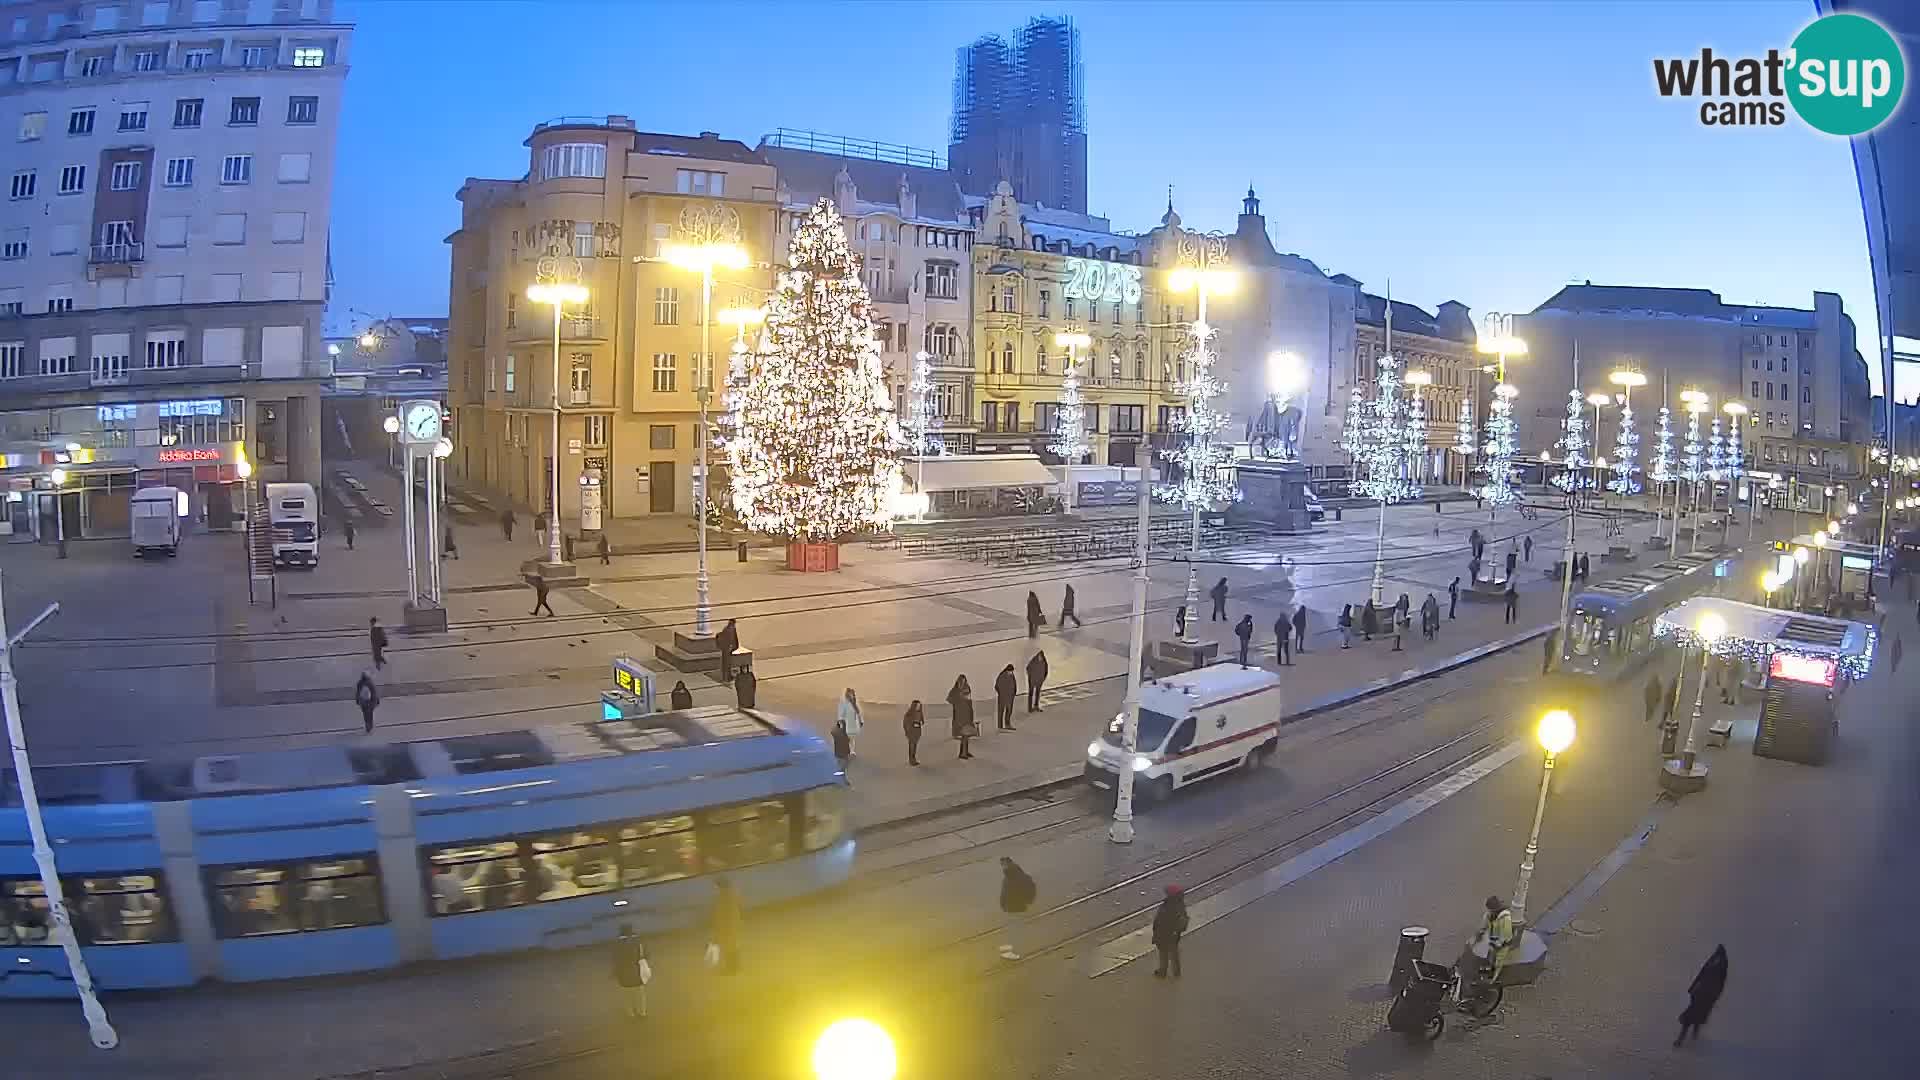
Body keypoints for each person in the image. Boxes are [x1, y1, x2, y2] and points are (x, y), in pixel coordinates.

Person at [1675, 944, 1728, 1046]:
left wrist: (1715, 997)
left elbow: (1721, 983)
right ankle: (1682, 1040)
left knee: (1697, 1018)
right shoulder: (1713, 961)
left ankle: (1691, 1039)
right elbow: (1701, 973)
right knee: (1691, 1017)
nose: (1717, 957)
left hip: (1707, 996)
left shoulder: (1721, 966)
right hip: (1699, 993)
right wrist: (1692, 987)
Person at [997, 856, 1036, 960]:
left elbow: (1030, 889)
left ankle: (1011, 951)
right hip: (1010, 908)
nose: (1003, 868)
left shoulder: (1017, 877)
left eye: (1004, 865)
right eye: (1002, 865)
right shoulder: (1010, 875)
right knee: (1012, 929)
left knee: (1014, 930)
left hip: (1016, 908)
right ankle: (1008, 948)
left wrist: (1026, 902)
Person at [611, 924, 652, 1020]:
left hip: (624, 974)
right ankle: (642, 1012)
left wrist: (616, 973)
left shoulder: (617, 944)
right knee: (640, 993)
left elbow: (615, 959)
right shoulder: (639, 942)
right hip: (638, 972)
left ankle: (631, 1013)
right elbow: (646, 955)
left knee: (627, 995)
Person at [1151, 884, 1189, 978]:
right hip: (1172, 933)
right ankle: (1176, 972)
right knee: (1173, 953)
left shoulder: (1169, 905)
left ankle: (1163, 971)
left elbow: (1162, 918)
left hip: (1166, 932)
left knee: (1164, 953)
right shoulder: (1179, 905)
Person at [708, 877, 741, 975]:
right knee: (731, 947)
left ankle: (732, 969)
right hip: (730, 925)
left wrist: (721, 925)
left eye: (717, 886)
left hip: (728, 925)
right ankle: (734, 967)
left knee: (729, 947)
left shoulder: (725, 896)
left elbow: (725, 912)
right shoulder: (730, 894)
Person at [1482, 894, 1515, 985]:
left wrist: (1498, 945)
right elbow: (1485, 925)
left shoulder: (1505, 918)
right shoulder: (1489, 915)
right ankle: (1489, 968)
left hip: (1502, 945)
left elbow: (1507, 935)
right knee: (1490, 955)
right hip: (1493, 940)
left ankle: (1494, 978)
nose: (1488, 911)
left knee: (1499, 961)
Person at [949, 676, 975, 757]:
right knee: (964, 734)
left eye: (964, 681)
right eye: (961, 681)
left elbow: (969, 698)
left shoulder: (967, 687)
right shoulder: (955, 690)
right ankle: (963, 753)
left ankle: (964, 752)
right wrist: (959, 699)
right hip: (960, 715)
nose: (963, 682)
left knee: (966, 735)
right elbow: (950, 699)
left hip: (967, 713)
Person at [836, 688, 863, 755]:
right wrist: (840, 721)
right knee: (847, 737)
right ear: (847, 694)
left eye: (852, 694)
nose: (851, 696)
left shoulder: (855, 702)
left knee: (852, 737)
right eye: (850, 694)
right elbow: (841, 713)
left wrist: (861, 720)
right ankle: (846, 749)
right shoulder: (844, 703)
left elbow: (859, 712)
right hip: (846, 722)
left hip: (853, 722)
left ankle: (852, 751)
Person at [994, 664, 1018, 730]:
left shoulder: (1012, 675)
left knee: (1009, 711)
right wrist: (1001, 694)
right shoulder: (1002, 676)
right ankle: (1000, 726)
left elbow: (1014, 684)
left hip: (1010, 697)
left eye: (1012, 671)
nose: (1011, 672)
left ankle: (1007, 724)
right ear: (1007, 670)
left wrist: (1014, 692)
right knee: (1001, 711)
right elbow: (996, 686)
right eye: (1010, 671)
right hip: (1003, 697)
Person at [903, 700, 925, 766]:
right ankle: (911, 760)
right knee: (912, 745)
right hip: (911, 731)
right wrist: (907, 730)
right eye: (916, 705)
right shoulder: (909, 713)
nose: (918, 706)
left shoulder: (919, 712)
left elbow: (921, 721)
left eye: (918, 705)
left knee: (914, 745)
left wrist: (920, 722)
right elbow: (905, 722)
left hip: (917, 732)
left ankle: (913, 759)